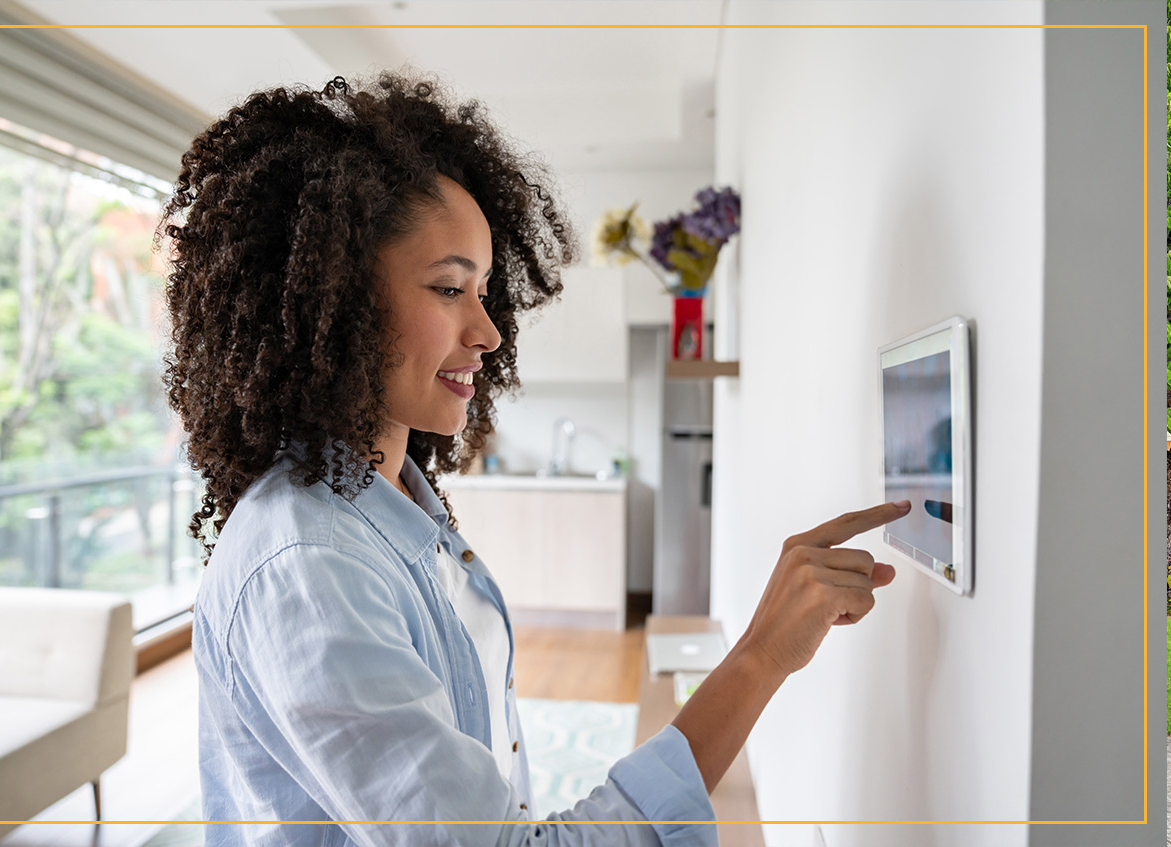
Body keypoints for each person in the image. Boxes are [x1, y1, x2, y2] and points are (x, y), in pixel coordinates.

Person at [159, 71, 906, 847]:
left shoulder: (397, 505)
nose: (488, 332)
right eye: (449, 287)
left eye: (484, 290)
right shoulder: (308, 565)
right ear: (331, 297)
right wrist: (758, 658)